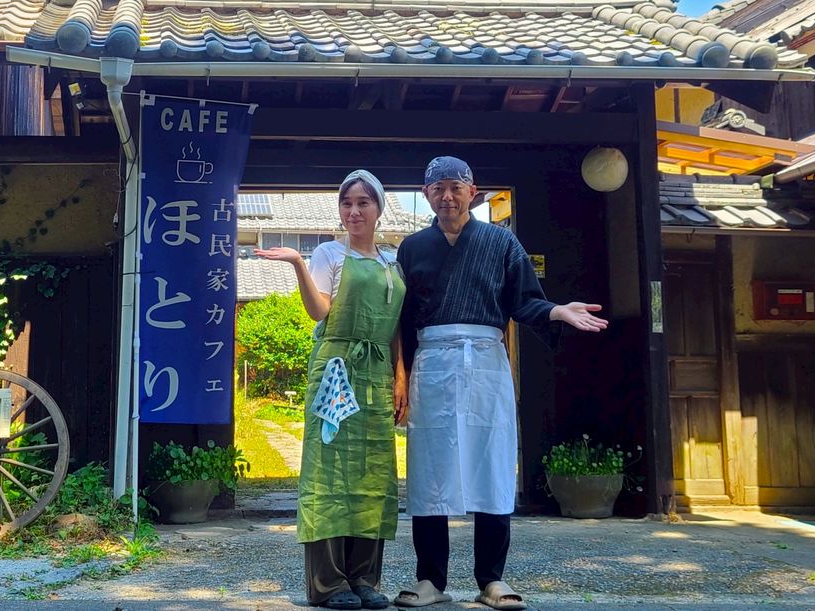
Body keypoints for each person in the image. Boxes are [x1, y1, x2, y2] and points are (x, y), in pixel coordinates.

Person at [393, 157, 608, 611]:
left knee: (491, 466)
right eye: (438, 188)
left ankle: (491, 578)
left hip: (485, 363)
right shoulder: (411, 248)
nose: (447, 196)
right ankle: (430, 579)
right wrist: (401, 375)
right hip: (432, 363)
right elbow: (403, 320)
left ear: (472, 192)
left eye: (456, 187)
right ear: (426, 194)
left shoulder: (501, 242)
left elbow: (525, 300)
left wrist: (557, 310)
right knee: (429, 471)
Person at [255, 170, 407, 611]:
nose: (354, 211)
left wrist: (401, 376)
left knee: (373, 474)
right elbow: (318, 309)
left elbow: (397, 326)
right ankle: (328, 584)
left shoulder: (392, 262)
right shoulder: (328, 253)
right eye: (346, 203)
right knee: (329, 475)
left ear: (379, 209)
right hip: (337, 370)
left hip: (377, 374)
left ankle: (364, 579)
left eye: (363, 202)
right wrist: (298, 265)